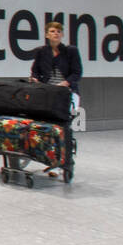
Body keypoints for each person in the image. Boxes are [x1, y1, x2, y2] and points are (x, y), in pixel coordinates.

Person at [29, 19, 81, 177]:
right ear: (47, 35)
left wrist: (65, 83)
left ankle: (61, 164)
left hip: (66, 93)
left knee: (62, 127)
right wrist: (35, 79)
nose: (56, 33)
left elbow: (77, 73)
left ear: (62, 34)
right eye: (52, 31)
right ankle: (49, 158)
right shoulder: (41, 52)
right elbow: (35, 71)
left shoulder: (71, 51)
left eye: (58, 31)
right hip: (48, 92)